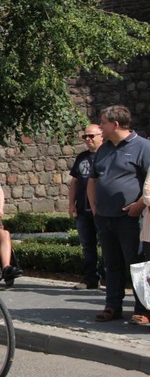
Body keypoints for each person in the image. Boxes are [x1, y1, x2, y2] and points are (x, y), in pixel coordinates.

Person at [87, 105, 150, 323]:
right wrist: (95, 207)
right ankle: (113, 306)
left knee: (137, 263)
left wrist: (139, 206)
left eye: (103, 122)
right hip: (105, 217)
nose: (100, 127)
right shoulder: (104, 149)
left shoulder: (143, 147)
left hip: (131, 218)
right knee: (111, 263)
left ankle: (142, 309)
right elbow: (93, 180)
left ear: (115, 124)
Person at [69, 124, 104, 290]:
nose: (88, 139)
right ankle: (91, 278)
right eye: (85, 137)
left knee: (107, 245)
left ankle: (109, 278)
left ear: (101, 136)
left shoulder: (107, 155)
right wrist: (71, 204)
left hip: (103, 209)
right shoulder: (82, 157)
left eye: (91, 136)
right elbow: (75, 182)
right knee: (87, 245)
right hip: (83, 209)